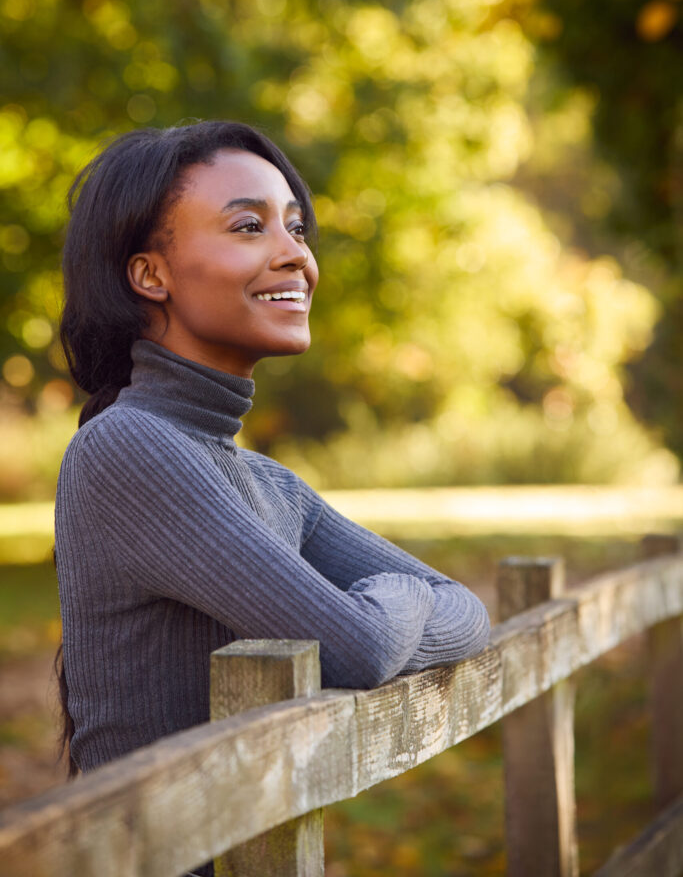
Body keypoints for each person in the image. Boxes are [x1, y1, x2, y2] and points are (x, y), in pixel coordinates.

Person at [54, 120, 490, 873]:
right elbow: (358, 647)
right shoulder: (128, 450)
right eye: (248, 226)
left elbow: (468, 611)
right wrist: (398, 597)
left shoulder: (262, 479)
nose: (295, 254)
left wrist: (383, 603)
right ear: (149, 275)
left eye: (295, 226)